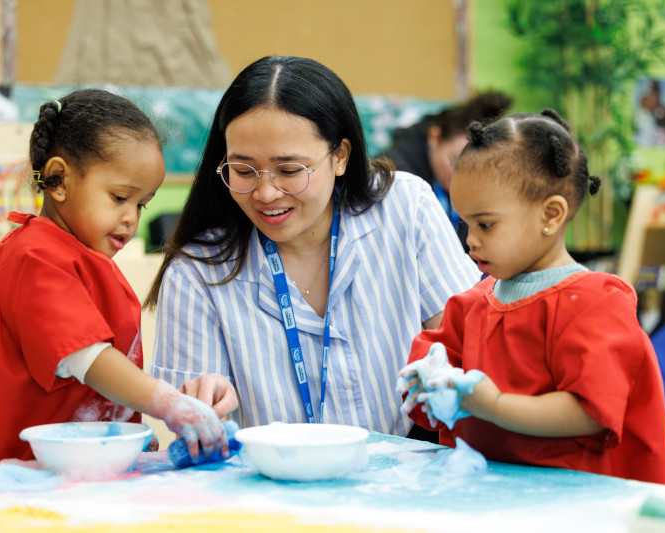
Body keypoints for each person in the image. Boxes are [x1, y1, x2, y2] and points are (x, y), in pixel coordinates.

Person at [145, 56, 481, 438]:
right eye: (243, 170)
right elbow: (198, 431)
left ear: (339, 157)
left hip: (410, 481)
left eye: (290, 170)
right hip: (273, 490)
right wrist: (204, 413)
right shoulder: (197, 271)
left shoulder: (406, 208)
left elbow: (469, 351)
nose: (266, 193)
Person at [0, 89, 233, 472]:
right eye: (119, 197)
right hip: (0, 482)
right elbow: (88, 360)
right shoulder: (35, 257)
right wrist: (169, 404)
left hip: (55, 476)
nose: (131, 218)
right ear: (58, 180)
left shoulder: (81, 257)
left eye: (141, 204)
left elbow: (83, 388)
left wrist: (124, 426)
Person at [398, 109, 665, 485]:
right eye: (465, 223)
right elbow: (435, 363)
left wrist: (493, 406)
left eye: (486, 224)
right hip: (492, 494)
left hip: (576, 504)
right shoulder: (473, 303)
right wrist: (426, 384)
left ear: (551, 215)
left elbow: (590, 411)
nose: (470, 240)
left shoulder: (594, 303)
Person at [380, 90, 513, 250]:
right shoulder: (394, 177)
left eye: (475, 166)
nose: (463, 174)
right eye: (455, 161)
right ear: (434, 138)